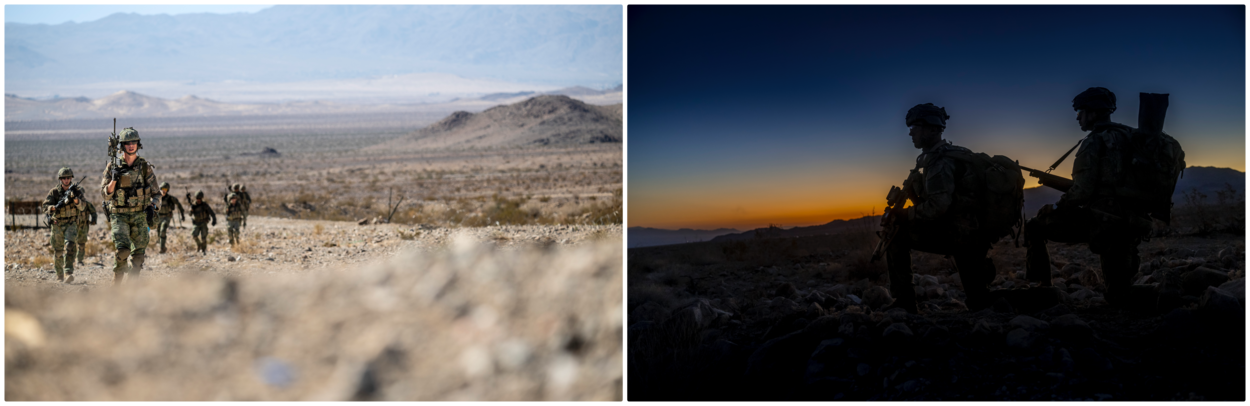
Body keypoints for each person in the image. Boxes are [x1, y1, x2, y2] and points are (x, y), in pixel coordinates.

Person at [1024, 87, 1154, 308]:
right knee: (1119, 295)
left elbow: (1082, 191)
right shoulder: (1130, 137)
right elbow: (1104, 186)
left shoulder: (1094, 141)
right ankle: (1165, 292)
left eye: (1080, 112)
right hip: (1131, 222)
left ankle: (1044, 288)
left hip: (1103, 222)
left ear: (1093, 112)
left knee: (1035, 226)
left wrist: (1054, 208)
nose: (1077, 118)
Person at [884, 103, 997, 313]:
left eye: (915, 127)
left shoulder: (940, 161)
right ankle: (1043, 297)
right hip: (971, 233)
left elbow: (938, 207)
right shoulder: (954, 153)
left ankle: (905, 302)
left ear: (932, 129)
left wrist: (905, 214)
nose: (911, 132)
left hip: (959, 235)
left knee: (895, 233)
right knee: (980, 302)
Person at [100, 127, 160, 285]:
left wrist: (152, 206)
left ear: (138, 144)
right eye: (127, 143)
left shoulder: (144, 167)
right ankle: (117, 283)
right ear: (122, 146)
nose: (131, 145)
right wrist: (114, 180)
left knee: (139, 255)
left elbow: (157, 193)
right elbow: (105, 195)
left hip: (139, 215)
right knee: (123, 250)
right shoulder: (113, 166)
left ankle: (131, 287)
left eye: (134, 142)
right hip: (119, 215)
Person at [43, 167, 84, 283]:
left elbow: (83, 207)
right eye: (64, 178)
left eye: (68, 178)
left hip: (71, 223)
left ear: (71, 178)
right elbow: (45, 206)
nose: (66, 180)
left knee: (70, 246)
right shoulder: (54, 192)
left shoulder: (77, 191)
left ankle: (68, 272)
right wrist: (54, 207)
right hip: (57, 224)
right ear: (60, 179)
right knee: (58, 251)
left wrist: (76, 200)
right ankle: (59, 274)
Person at [155, 181, 186, 253]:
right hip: (158, 217)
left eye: (165, 189)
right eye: (163, 189)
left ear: (167, 190)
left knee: (163, 230)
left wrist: (182, 215)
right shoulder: (157, 198)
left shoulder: (170, 198)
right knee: (159, 232)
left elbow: (179, 204)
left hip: (167, 217)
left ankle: (162, 248)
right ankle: (161, 245)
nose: (164, 191)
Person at [74, 197, 98, 266]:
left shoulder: (87, 204)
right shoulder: (71, 204)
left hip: (83, 226)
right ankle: (70, 261)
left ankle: (79, 260)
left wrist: (94, 220)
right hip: (73, 226)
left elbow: (93, 212)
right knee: (71, 243)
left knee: (81, 243)